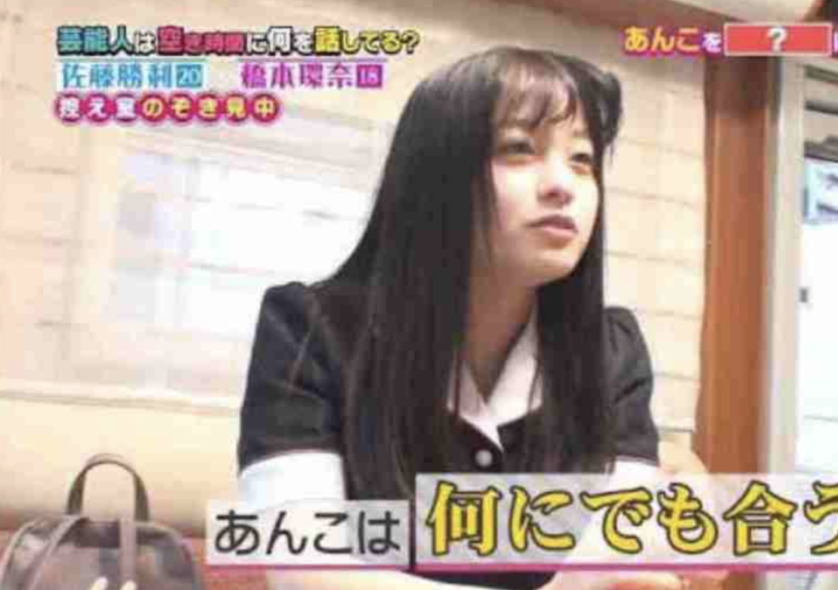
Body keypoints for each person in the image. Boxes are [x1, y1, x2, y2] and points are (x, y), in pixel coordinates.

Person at [236, 46, 716, 590]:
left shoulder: (612, 349)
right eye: (519, 149)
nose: (563, 184)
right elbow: (305, 572)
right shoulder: (310, 329)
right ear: (435, 175)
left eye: (582, 159)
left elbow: (618, 560)